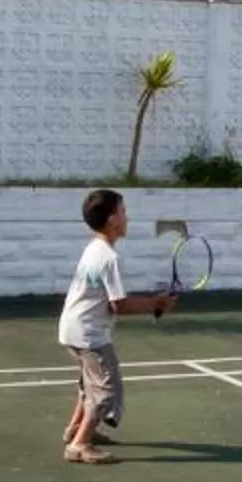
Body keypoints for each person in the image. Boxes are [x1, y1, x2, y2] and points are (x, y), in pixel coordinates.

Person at [58, 187, 174, 464]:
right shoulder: (110, 258)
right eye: (123, 211)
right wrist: (155, 304)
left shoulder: (94, 249)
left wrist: (154, 303)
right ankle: (80, 444)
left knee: (89, 384)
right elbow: (118, 305)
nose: (127, 217)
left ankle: (75, 429)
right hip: (89, 334)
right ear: (112, 219)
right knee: (105, 389)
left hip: (72, 328)